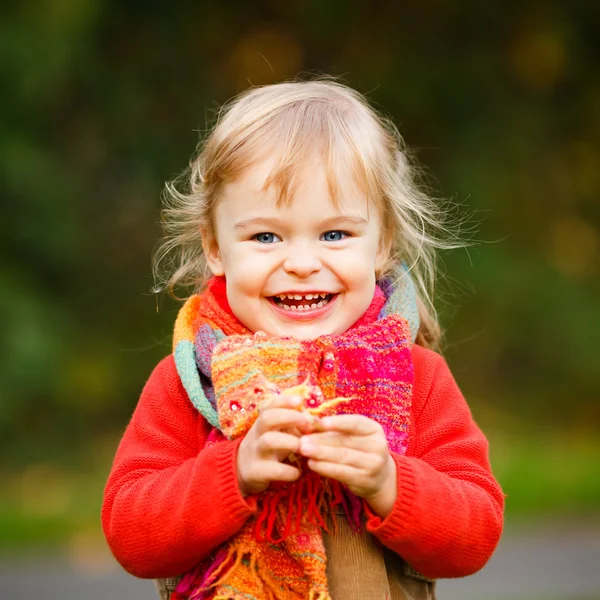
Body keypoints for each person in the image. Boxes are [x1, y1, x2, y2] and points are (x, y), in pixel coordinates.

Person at [102, 79, 504, 600]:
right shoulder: (192, 381)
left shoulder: (416, 377)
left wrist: (390, 482)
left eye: (334, 234)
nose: (301, 263)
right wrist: (233, 472)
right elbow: (131, 533)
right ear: (216, 247)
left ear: (380, 244)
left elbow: (475, 536)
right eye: (265, 236)